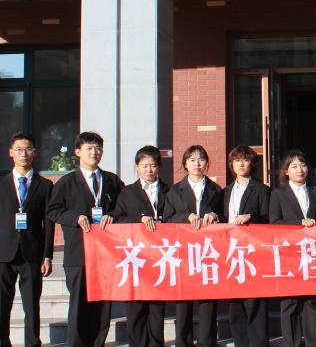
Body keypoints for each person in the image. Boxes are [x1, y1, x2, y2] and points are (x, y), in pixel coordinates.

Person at [47, 131, 123, 347]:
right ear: (78, 152)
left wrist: (113, 216)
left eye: (98, 148)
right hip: (79, 253)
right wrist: (74, 218)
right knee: (79, 303)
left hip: (106, 254)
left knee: (103, 305)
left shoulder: (112, 180)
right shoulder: (67, 182)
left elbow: (124, 207)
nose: (94, 152)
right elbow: (53, 210)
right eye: (89, 148)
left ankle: (99, 342)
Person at [0, 132, 55, 347]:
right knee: (1, 306)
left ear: (35, 152)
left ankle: (32, 343)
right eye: (19, 150)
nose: (24, 154)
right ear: (11, 153)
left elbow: (49, 224)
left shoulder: (45, 185)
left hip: (32, 255)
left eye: (28, 149)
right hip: (3, 254)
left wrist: (47, 255)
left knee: (32, 306)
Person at [110, 145, 172, 347]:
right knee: (135, 307)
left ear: (159, 167)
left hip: (159, 257)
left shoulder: (169, 191)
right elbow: (118, 219)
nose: (149, 170)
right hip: (135, 258)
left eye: (153, 165)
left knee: (156, 309)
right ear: (137, 167)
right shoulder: (127, 192)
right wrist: (140, 219)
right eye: (144, 166)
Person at [167, 145, 223, 347]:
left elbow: (225, 214)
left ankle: (207, 341)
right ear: (185, 164)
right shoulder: (175, 190)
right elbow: (167, 218)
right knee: (183, 300)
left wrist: (215, 215)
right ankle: (183, 341)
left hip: (208, 251)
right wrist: (186, 216)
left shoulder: (216, 189)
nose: (197, 164)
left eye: (201, 159)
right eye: (192, 160)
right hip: (183, 251)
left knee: (208, 299)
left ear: (206, 163)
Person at [269, 149, 316, 347]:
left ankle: (313, 342)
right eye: (294, 166)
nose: (300, 169)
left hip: (312, 252)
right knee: (289, 302)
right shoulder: (278, 194)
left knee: (311, 301)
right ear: (286, 171)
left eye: (303, 165)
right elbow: (274, 222)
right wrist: (299, 223)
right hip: (288, 253)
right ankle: (291, 343)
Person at [223, 145, 270, 347]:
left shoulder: (262, 190)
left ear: (252, 163)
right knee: (236, 303)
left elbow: (269, 218)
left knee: (255, 301)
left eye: (245, 160)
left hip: (253, 251)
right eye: (237, 160)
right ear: (231, 165)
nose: (241, 164)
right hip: (231, 251)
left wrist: (252, 217)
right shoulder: (225, 191)